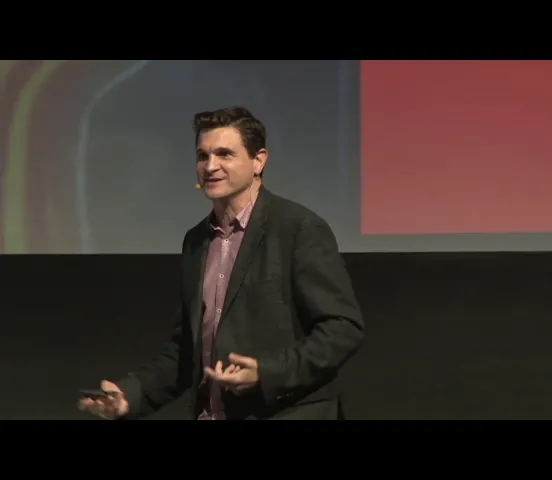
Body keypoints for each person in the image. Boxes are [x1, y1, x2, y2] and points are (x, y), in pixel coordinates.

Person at [77, 105, 364, 420]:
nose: (210, 166)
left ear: (259, 160)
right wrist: (131, 395)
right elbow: (188, 350)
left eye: (225, 154)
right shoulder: (196, 241)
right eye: (202, 156)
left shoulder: (298, 228)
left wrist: (266, 373)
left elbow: (342, 328)